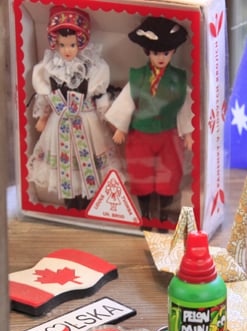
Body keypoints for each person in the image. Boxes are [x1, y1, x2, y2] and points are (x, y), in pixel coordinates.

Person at [26, 7, 122, 210]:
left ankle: (88, 203)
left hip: (87, 121)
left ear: (81, 42)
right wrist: (43, 118)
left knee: (88, 163)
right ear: (55, 43)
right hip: (59, 123)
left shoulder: (93, 68)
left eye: (71, 45)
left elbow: (100, 97)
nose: (67, 50)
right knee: (66, 164)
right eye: (62, 45)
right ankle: (70, 203)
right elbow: (46, 97)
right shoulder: (50, 68)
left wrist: (111, 122)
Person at [105, 17, 194, 226]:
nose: (161, 58)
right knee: (140, 172)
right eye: (156, 53)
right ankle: (145, 215)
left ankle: (163, 217)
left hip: (169, 135)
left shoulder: (179, 80)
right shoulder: (138, 78)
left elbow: (184, 106)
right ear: (148, 52)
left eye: (166, 53)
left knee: (169, 173)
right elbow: (127, 102)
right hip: (141, 134)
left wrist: (188, 133)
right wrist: (121, 128)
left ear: (173, 52)